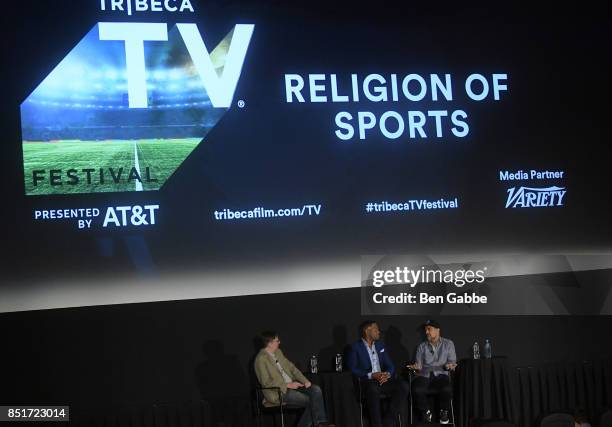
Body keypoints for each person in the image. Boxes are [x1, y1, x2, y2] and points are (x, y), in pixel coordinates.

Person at [254, 331, 335, 427]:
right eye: (277, 340)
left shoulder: (278, 352)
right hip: (278, 392)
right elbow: (266, 382)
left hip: (292, 386)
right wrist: (287, 385)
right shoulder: (260, 359)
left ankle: (320, 422)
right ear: (269, 343)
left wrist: (305, 380)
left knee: (316, 390)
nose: (279, 342)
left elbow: (292, 368)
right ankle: (319, 424)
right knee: (313, 401)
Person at [347, 320, 410, 427]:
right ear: (367, 331)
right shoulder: (355, 347)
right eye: (376, 329)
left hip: (383, 380)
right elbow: (352, 369)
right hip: (368, 382)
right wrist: (371, 375)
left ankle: (389, 421)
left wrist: (387, 374)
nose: (379, 332)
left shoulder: (380, 346)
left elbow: (391, 366)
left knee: (403, 386)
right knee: (373, 388)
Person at [406, 319, 456, 424]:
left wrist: (450, 365)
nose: (426, 332)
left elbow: (452, 361)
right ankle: (426, 411)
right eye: (425, 330)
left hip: (441, 374)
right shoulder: (421, 346)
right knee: (416, 389)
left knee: (446, 388)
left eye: (429, 329)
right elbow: (419, 365)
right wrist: (415, 367)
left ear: (438, 330)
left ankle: (444, 411)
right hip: (424, 375)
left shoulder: (448, 344)